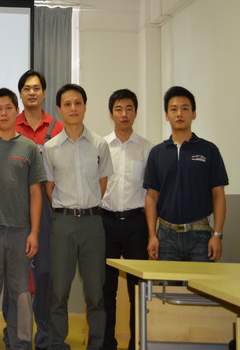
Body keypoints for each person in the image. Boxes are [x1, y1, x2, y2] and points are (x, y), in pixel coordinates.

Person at [0, 88, 45, 350]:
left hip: (20, 233)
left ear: (17, 111)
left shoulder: (29, 148)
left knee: (21, 295)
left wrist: (34, 232)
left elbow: (35, 193)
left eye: (8, 108)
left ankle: (20, 343)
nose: (4, 113)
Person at [43, 83, 113, 350]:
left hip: (93, 223)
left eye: (77, 103)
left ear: (85, 106)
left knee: (95, 293)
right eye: (67, 104)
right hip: (63, 223)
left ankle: (95, 345)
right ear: (59, 109)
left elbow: (102, 183)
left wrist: (87, 207)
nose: (73, 108)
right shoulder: (50, 148)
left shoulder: (99, 144)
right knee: (58, 291)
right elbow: (49, 188)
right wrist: (69, 209)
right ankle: (57, 344)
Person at [7, 69, 64, 350]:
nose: (32, 92)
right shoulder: (10, 124)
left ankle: (43, 336)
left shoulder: (57, 128)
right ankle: (15, 336)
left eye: (36, 88)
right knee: (15, 276)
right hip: (15, 208)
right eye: (26, 88)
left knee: (44, 275)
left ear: (44, 92)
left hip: (48, 210)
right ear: (20, 93)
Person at [144, 86, 228, 262]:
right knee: (166, 282)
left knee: (201, 281)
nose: (179, 114)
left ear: (193, 114)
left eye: (185, 108)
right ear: (166, 115)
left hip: (200, 236)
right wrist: (152, 235)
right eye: (173, 109)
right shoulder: (157, 153)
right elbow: (151, 196)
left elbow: (218, 194)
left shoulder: (209, 150)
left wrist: (217, 235)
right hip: (166, 237)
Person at [101, 89, 152, 350]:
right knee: (106, 290)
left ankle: (136, 344)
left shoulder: (147, 148)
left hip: (136, 225)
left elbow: (152, 193)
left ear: (136, 113)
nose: (124, 114)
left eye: (129, 108)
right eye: (119, 109)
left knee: (137, 290)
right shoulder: (101, 146)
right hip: (106, 223)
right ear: (111, 114)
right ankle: (106, 343)